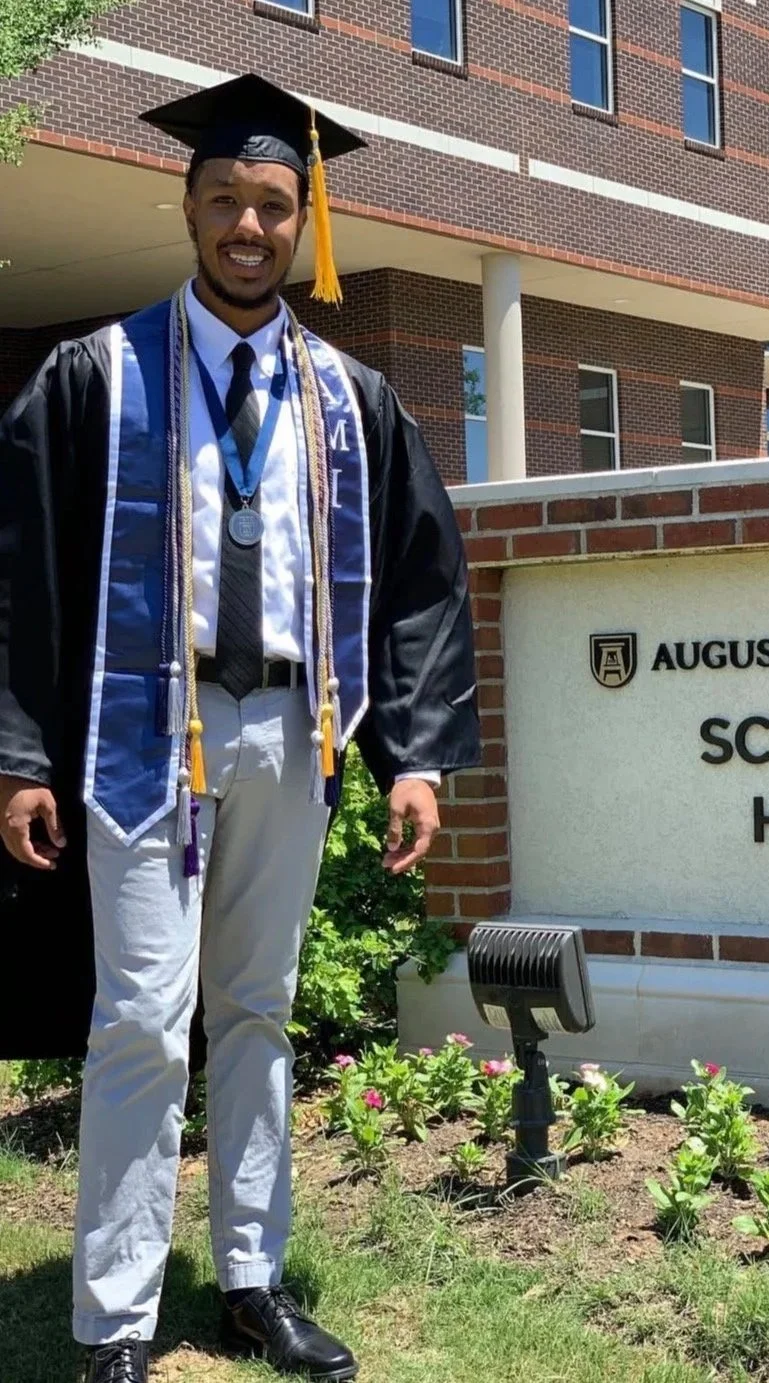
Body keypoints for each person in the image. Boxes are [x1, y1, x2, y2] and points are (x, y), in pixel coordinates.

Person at [0, 73, 480, 1383]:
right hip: (139, 734)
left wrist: (416, 755)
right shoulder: (94, 377)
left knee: (258, 1013)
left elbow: (423, 573)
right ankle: (113, 1317)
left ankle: (254, 1280)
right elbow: (17, 568)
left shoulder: (349, 397)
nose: (250, 225)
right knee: (143, 1021)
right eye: (226, 200)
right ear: (189, 207)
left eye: (274, 203)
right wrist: (20, 750)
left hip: (292, 736)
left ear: (303, 213)